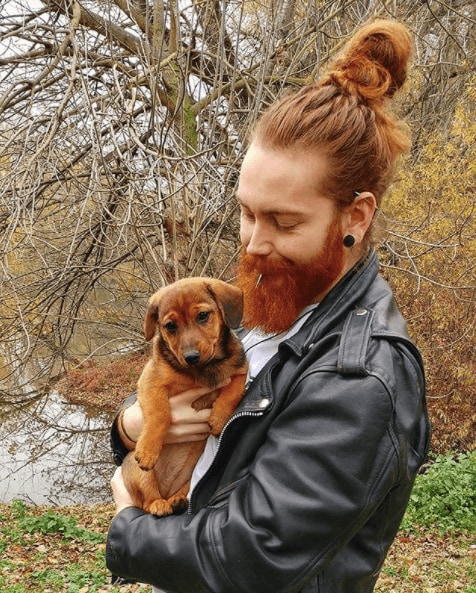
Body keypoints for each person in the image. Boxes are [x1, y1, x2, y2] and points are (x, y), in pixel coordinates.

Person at [106, 19, 431, 593]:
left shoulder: (361, 377)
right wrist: (133, 427)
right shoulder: (275, 307)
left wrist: (127, 528)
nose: (253, 243)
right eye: (247, 211)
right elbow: (211, 442)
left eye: (283, 221)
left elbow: (255, 555)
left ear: (354, 217)